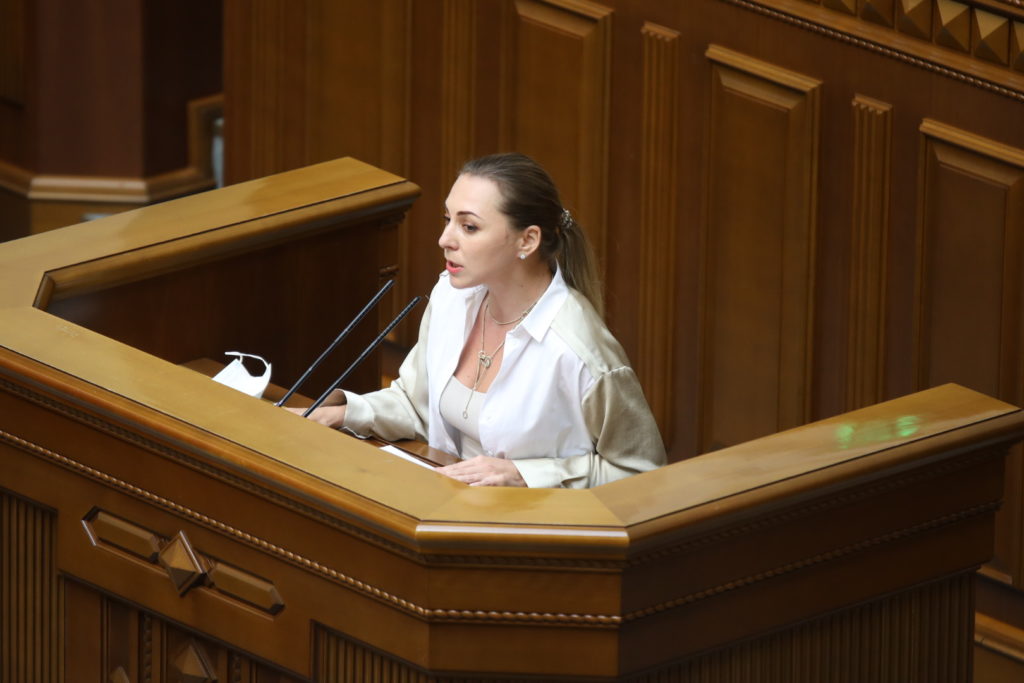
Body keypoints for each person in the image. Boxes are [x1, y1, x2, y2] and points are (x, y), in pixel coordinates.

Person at [295, 153, 666, 487]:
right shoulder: (451, 297)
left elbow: (641, 476)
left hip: (529, 529)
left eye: (469, 227)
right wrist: (345, 414)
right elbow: (417, 406)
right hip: (444, 506)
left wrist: (524, 474)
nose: (445, 239)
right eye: (448, 220)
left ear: (527, 241)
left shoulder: (578, 351)